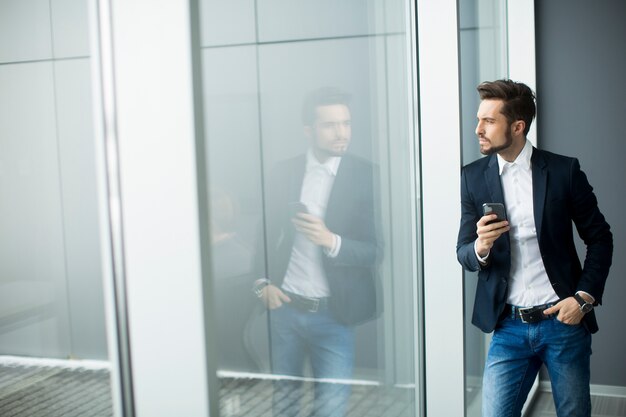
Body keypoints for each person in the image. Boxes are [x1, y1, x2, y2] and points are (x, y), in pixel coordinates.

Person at [456, 79, 613, 417]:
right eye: (478, 119)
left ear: (517, 126)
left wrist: (584, 298)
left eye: (489, 121)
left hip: (563, 321)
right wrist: (480, 246)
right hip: (507, 325)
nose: (478, 129)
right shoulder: (472, 177)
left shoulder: (562, 171)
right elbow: (464, 253)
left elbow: (600, 237)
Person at [253, 87, 382, 417]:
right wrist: (262, 284)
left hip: (334, 316)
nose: (342, 133)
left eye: (346, 123)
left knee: (330, 410)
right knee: (284, 405)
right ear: (309, 131)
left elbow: (375, 251)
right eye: (330, 125)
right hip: (285, 310)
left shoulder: (366, 176)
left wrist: (330, 240)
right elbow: (265, 236)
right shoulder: (284, 172)